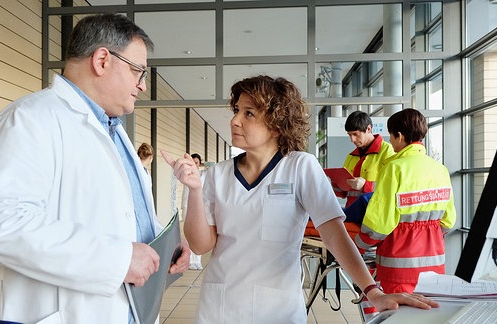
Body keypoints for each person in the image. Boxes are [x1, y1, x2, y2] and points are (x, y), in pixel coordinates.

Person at [0, 14, 190, 324]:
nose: (142, 85)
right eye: (138, 71)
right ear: (102, 60)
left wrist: (168, 250)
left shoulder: (115, 132)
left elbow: (122, 215)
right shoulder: (30, 120)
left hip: (124, 308)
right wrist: (117, 259)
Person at [162, 75, 438, 323]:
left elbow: (334, 236)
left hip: (278, 310)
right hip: (220, 309)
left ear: (277, 123)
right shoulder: (216, 176)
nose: (235, 120)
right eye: (236, 111)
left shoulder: (300, 167)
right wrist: (194, 191)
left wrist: (373, 291)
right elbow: (200, 244)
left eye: (249, 113)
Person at [354, 108, 456, 294]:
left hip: (399, 267)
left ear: (399, 136)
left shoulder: (394, 168)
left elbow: (379, 224)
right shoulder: (440, 169)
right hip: (435, 263)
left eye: (391, 137)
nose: (390, 142)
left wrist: (357, 245)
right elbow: (448, 221)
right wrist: (425, 234)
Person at [336, 111, 395, 208]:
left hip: (374, 214)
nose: (352, 139)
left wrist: (366, 185)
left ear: (368, 129)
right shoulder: (351, 156)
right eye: (349, 135)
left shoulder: (388, 152)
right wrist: (337, 183)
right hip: (352, 213)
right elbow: (344, 193)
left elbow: (392, 187)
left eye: (355, 134)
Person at [180, 153, 205, 270]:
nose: (194, 164)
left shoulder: (202, 176)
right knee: (188, 233)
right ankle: (189, 260)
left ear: (199, 164)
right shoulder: (185, 174)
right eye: (192, 162)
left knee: (197, 232)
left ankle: (197, 260)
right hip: (186, 206)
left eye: (196, 163)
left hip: (198, 208)